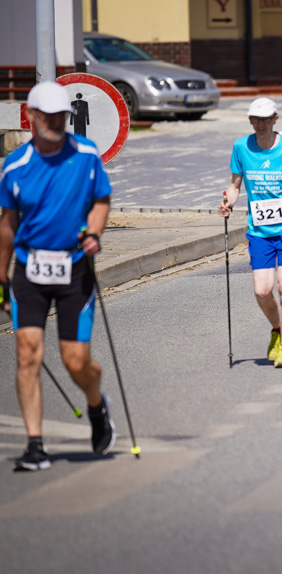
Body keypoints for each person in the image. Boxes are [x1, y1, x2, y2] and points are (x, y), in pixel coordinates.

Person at [0, 81, 115, 471]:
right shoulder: (14, 165)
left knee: (75, 361)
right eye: (47, 116)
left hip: (73, 269)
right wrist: (0, 277)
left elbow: (101, 198)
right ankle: (35, 445)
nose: (55, 123)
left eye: (61, 117)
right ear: (30, 117)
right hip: (29, 270)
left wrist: (95, 233)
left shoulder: (85, 155)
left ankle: (97, 405)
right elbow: (7, 224)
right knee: (28, 355)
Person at [218, 97, 282, 368]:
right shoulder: (241, 147)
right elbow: (235, 185)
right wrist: (228, 202)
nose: (261, 124)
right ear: (250, 121)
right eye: (256, 119)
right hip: (259, 231)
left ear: (275, 119)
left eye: (266, 119)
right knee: (262, 291)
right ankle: (276, 329)